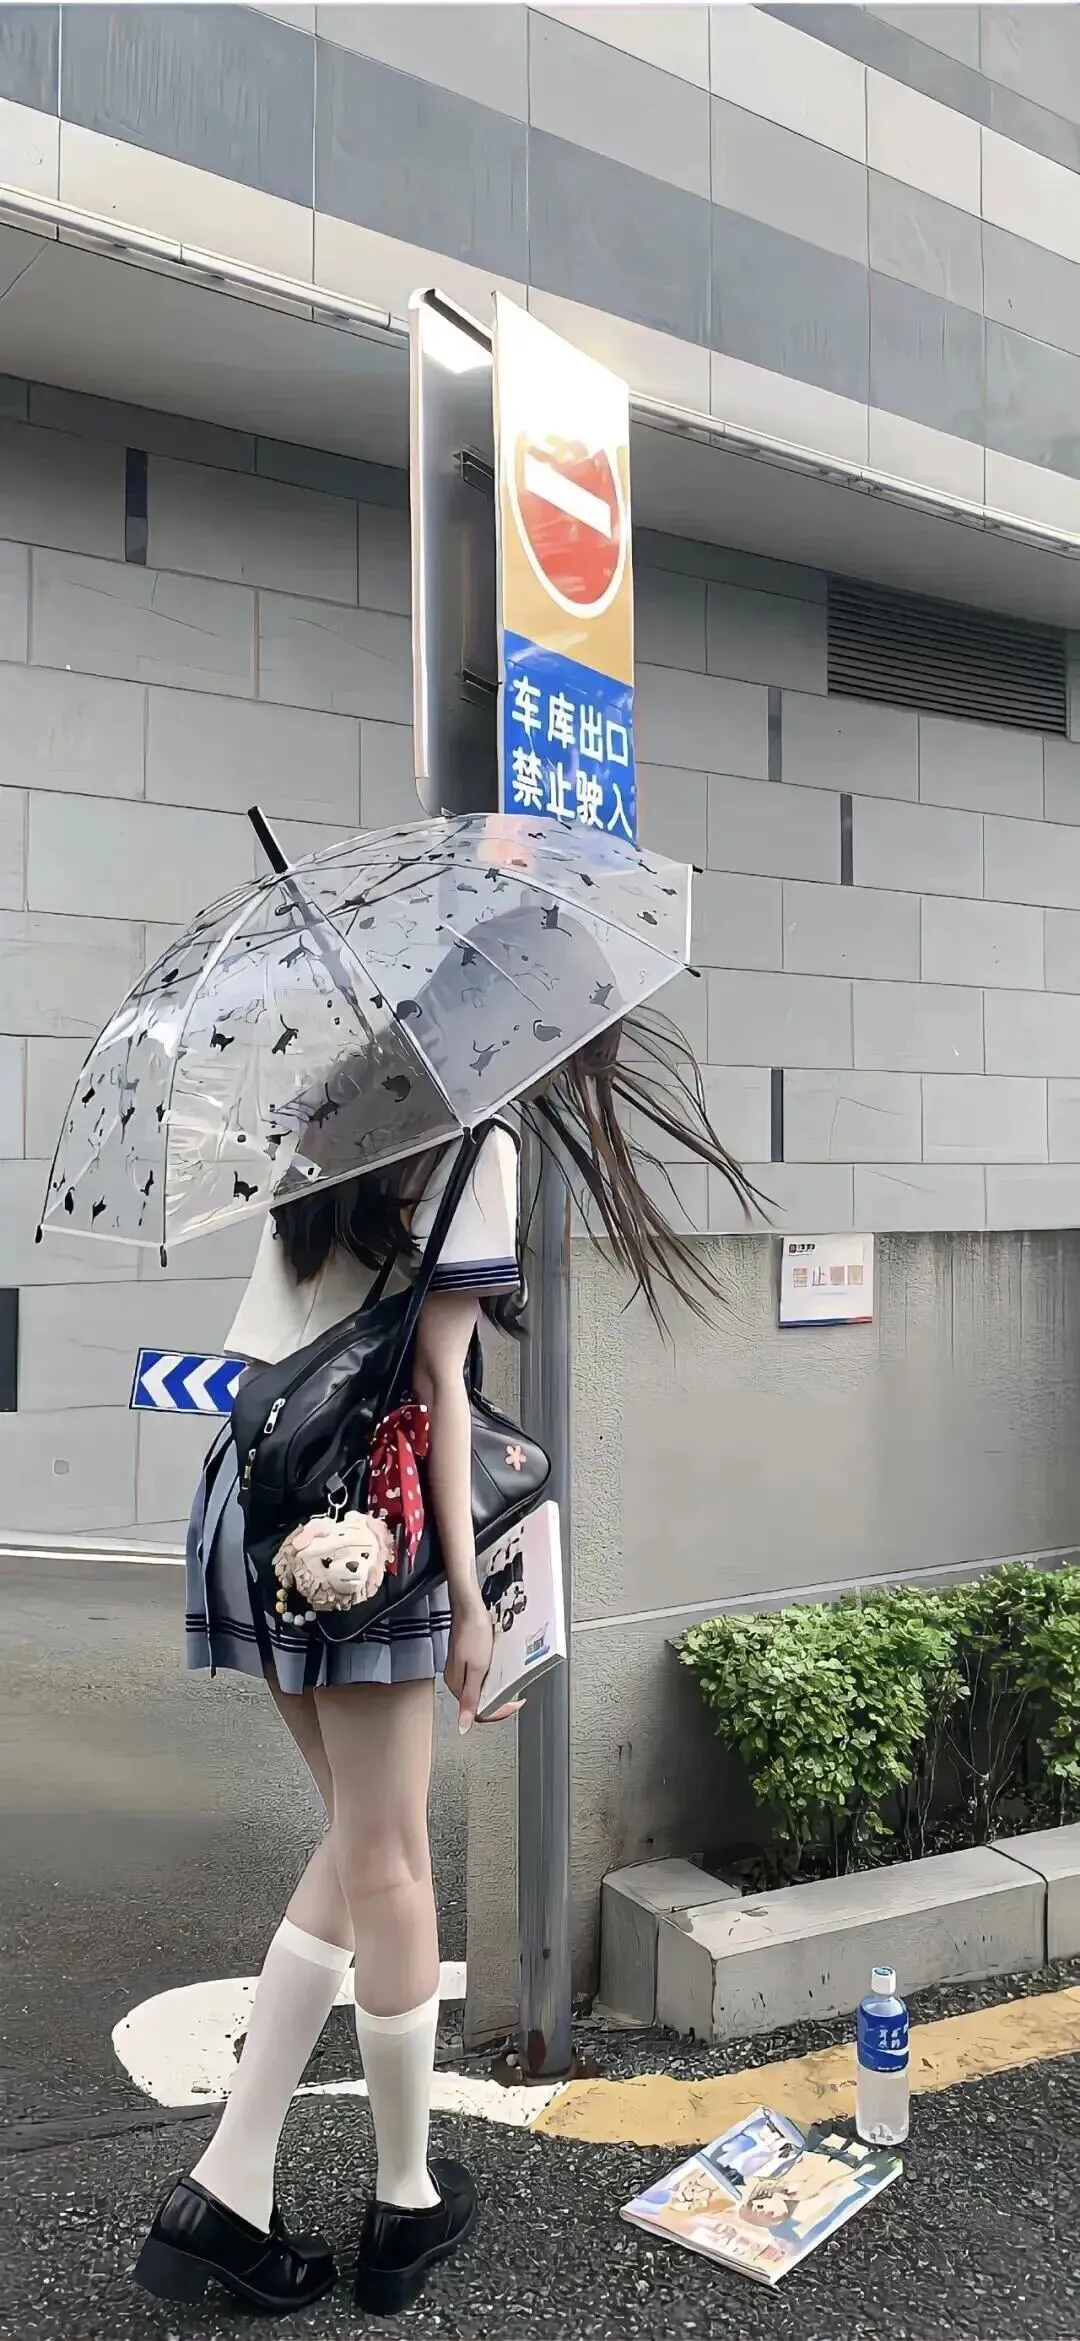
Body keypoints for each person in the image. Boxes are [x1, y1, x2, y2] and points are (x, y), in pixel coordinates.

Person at [134, 1012, 758, 2318]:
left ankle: (228, 2189)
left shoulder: (333, 1116)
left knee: (365, 1842)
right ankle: (401, 2201)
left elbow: (281, 1336)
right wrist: (474, 1602)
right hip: (361, 1513)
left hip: (255, 1492)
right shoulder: (477, 1138)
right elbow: (440, 1382)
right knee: (393, 1861)